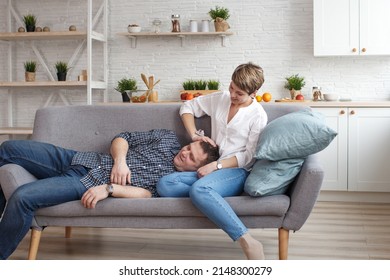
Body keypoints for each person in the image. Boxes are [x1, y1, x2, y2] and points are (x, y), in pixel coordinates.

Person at [0, 128, 219, 260]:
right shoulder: (167, 139)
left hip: (83, 182)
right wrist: (120, 162)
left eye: (191, 157)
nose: (185, 153)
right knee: (7, 148)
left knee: (22, 197)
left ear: (197, 168)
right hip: (78, 158)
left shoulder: (173, 183)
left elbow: (145, 195)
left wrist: (109, 188)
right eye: (189, 147)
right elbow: (122, 137)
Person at [157, 62, 268, 260]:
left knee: (199, 189)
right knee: (165, 184)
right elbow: (188, 106)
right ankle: (208, 197)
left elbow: (249, 156)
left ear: (254, 92)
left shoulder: (258, 116)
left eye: (239, 93)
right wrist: (194, 135)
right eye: (232, 87)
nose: (233, 95)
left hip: (236, 170)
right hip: (212, 171)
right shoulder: (221, 99)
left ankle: (248, 241)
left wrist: (215, 166)